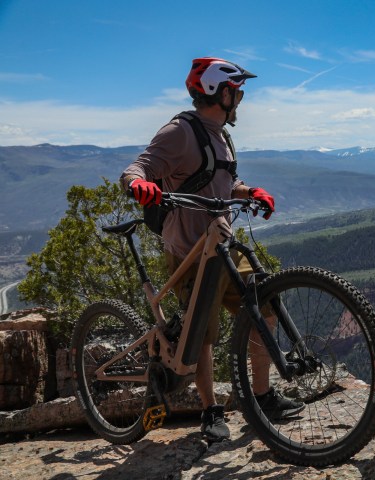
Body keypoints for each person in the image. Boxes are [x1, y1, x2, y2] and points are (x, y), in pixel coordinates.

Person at [120, 57, 304, 442]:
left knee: (265, 307)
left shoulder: (221, 134)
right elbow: (137, 168)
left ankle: (262, 395)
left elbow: (224, 181)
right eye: (237, 93)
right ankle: (210, 410)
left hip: (222, 244)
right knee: (201, 332)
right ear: (220, 92)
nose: (240, 100)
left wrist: (250, 192)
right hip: (189, 250)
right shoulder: (179, 132)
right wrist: (140, 185)